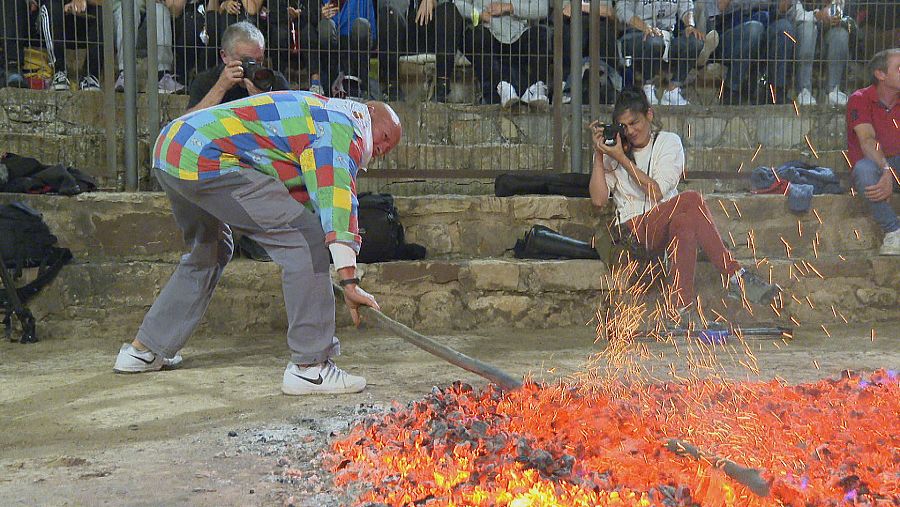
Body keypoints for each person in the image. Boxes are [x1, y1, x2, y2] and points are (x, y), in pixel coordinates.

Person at [113, 91, 403, 396]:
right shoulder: (344, 125)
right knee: (304, 241)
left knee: (211, 249)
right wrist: (349, 280)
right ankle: (311, 368)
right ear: (368, 112)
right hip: (205, 157)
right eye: (385, 136)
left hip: (172, 147)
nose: (383, 148)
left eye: (389, 147)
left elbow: (305, 195)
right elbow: (337, 197)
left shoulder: (320, 112)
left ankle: (144, 350)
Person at [589, 88, 778, 324]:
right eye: (624, 126)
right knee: (691, 199)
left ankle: (680, 309)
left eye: (634, 123)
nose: (630, 131)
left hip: (665, 228)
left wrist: (621, 159)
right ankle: (735, 275)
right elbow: (598, 201)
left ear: (649, 114)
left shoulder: (669, 142)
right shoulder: (616, 152)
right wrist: (601, 155)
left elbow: (655, 192)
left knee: (685, 222)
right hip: (632, 233)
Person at [846, 48, 900, 256]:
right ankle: (893, 231)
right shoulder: (860, 98)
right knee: (864, 171)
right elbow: (867, 140)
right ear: (880, 74)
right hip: (876, 165)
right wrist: (886, 169)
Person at [616, 0, 718, 106]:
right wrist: (645, 27)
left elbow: (686, 6)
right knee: (655, 41)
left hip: (667, 35)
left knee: (695, 42)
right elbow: (621, 9)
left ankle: (672, 90)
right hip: (636, 34)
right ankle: (648, 88)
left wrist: (689, 25)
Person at [455, 0, 552, 107]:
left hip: (520, 33)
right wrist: (479, 13)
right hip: (487, 31)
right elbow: (458, 4)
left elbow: (542, 8)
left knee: (542, 34)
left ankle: (535, 89)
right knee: (476, 37)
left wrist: (510, 7)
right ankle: (498, 92)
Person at [186, 21, 290, 113]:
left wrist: (264, 102)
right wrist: (220, 88)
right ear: (224, 56)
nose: (253, 66)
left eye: (259, 60)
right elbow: (186, 123)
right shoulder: (206, 80)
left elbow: (292, 121)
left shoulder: (274, 80)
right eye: (246, 61)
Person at [376, 0, 467, 101]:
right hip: (405, 35)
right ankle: (392, 87)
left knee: (448, 9)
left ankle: (442, 86)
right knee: (388, 14)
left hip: (436, 36)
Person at [716, 0, 795, 104]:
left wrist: (782, 6)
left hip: (766, 27)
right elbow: (720, 7)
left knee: (785, 28)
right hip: (732, 32)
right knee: (754, 29)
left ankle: (776, 93)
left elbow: (781, 10)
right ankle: (732, 91)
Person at [300, 0, 377, 98]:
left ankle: (358, 87)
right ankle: (325, 85)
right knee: (325, 28)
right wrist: (320, 16)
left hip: (355, 44)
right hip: (330, 45)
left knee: (361, 26)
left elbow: (372, 35)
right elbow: (307, 24)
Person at [113, 0, 186, 93]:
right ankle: (125, 74)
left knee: (159, 9)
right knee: (129, 7)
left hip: (143, 22)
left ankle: (162, 75)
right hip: (117, 19)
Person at [788, 0, 850, 106]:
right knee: (807, 29)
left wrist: (833, 14)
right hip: (798, 31)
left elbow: (838, 7)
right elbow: (793, 14)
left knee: (840, 34)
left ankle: (833, 90)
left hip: (825, 31)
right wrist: (817, 16)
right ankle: (804, 90)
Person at [38, 0, 104, 90]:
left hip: (81, 15)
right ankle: (59, 72)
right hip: (51, 15)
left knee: (103, 13)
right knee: (52, 7)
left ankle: (91, 77)